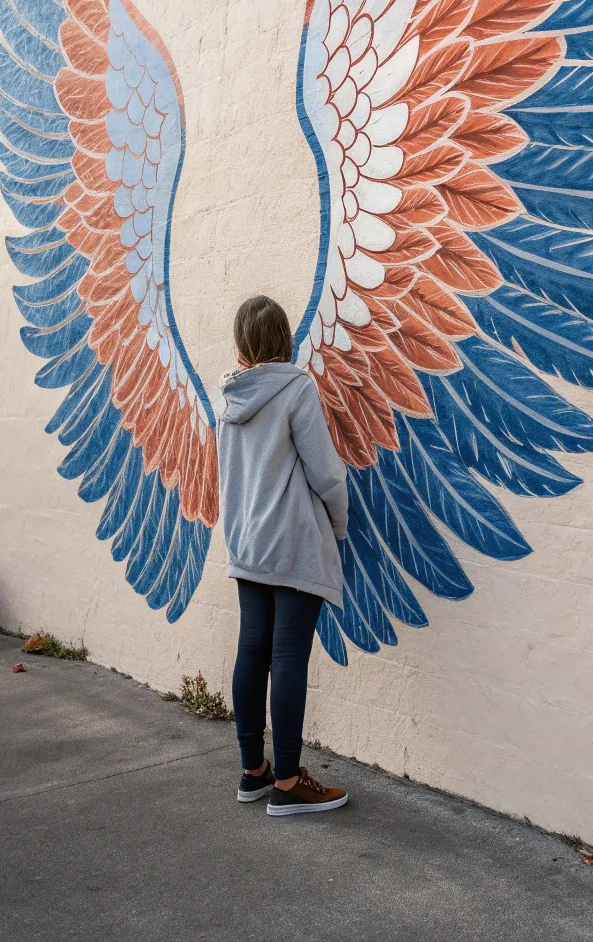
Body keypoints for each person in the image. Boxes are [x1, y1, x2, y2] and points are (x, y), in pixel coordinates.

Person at [216, 294, 350, 815]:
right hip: (292, 541)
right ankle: (290, 783)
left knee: (252, 650)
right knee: (289, 655)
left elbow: (226, 476)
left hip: (247, 543)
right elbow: (326, 472)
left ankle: (255, 772)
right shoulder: (296, 388)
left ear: (242, 343)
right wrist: (338, 526)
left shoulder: (227, 397)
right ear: (283, 337)